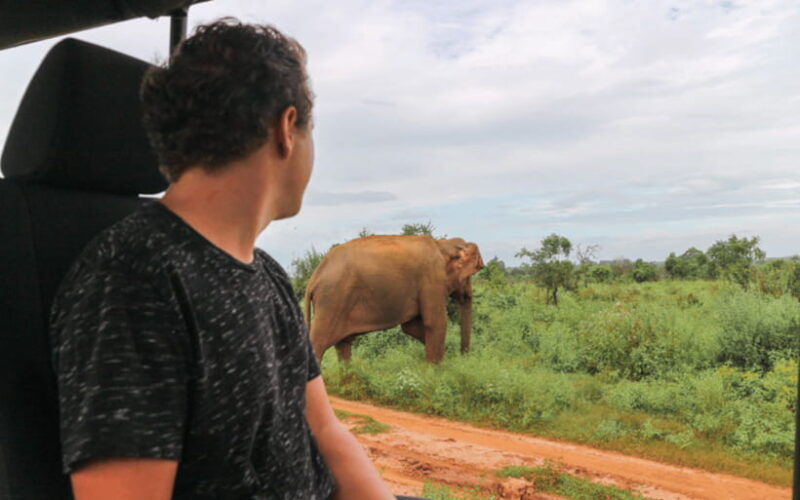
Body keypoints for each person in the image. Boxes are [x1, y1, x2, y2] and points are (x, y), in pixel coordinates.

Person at [49, 18, 409, 499]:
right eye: (310, 130)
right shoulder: (131, 281)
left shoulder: (268, 276)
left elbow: (326, 432)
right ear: (286, 129)